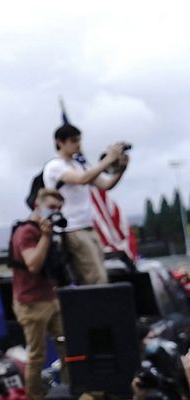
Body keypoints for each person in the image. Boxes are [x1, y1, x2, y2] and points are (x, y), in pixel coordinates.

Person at [41, 122, 130, 285]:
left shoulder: (78, 164)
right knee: (95, 278)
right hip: (72, 228)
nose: (78, 145)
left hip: (87, 225)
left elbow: (105, 185)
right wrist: (108, 159)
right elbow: (82, 179)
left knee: (101, 273)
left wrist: (120, 169)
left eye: (79, 140)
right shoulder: (54, 166)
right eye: (73, 141)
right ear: (60, 142)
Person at [10, 188, 69, 400]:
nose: (55, 213)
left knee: (66, 345)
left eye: (58, 209)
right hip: (31, 302)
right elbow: (33, 264)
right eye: (51, 207)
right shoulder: (26, 231)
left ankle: (68, 389)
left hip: (50, 298)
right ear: (38, 205)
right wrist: (45, 236)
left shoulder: (47, 230)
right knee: (37, 354)